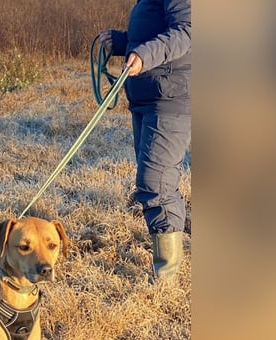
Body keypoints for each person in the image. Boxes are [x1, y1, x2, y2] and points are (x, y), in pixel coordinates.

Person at [99, 0, 191, 282]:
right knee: (159, 183)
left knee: (155, 186)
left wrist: (144, 54)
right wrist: (122, 42)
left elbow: (188, 31)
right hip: (148, 98)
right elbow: (153, 30)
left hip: (170, 99)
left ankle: (165, 282)